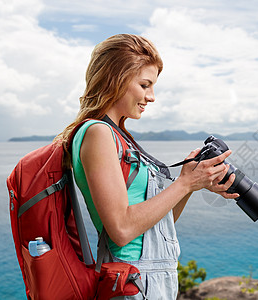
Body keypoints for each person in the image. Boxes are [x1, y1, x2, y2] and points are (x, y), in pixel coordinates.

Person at [56, 34, 239, 299]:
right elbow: (121, 230)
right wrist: (184, 183)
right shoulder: (98, 133)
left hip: (151, 278)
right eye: (144, 85)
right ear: (115, 79)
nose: (151, 97)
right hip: (134, 281)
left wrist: (191, 183)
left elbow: (157, 225)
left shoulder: (119, 135)